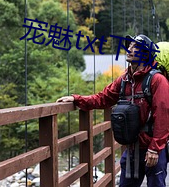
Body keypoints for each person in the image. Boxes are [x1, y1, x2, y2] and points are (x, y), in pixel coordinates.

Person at [56, 34, 169, 187]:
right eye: (129, 45)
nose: (129, 49)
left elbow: (163, 116)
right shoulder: (124, 80)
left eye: (135, 46)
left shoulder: (157, 80)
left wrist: (155, 149)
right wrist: (76, 99)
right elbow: (103, 98)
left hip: (152, 148)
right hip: (132, 148)